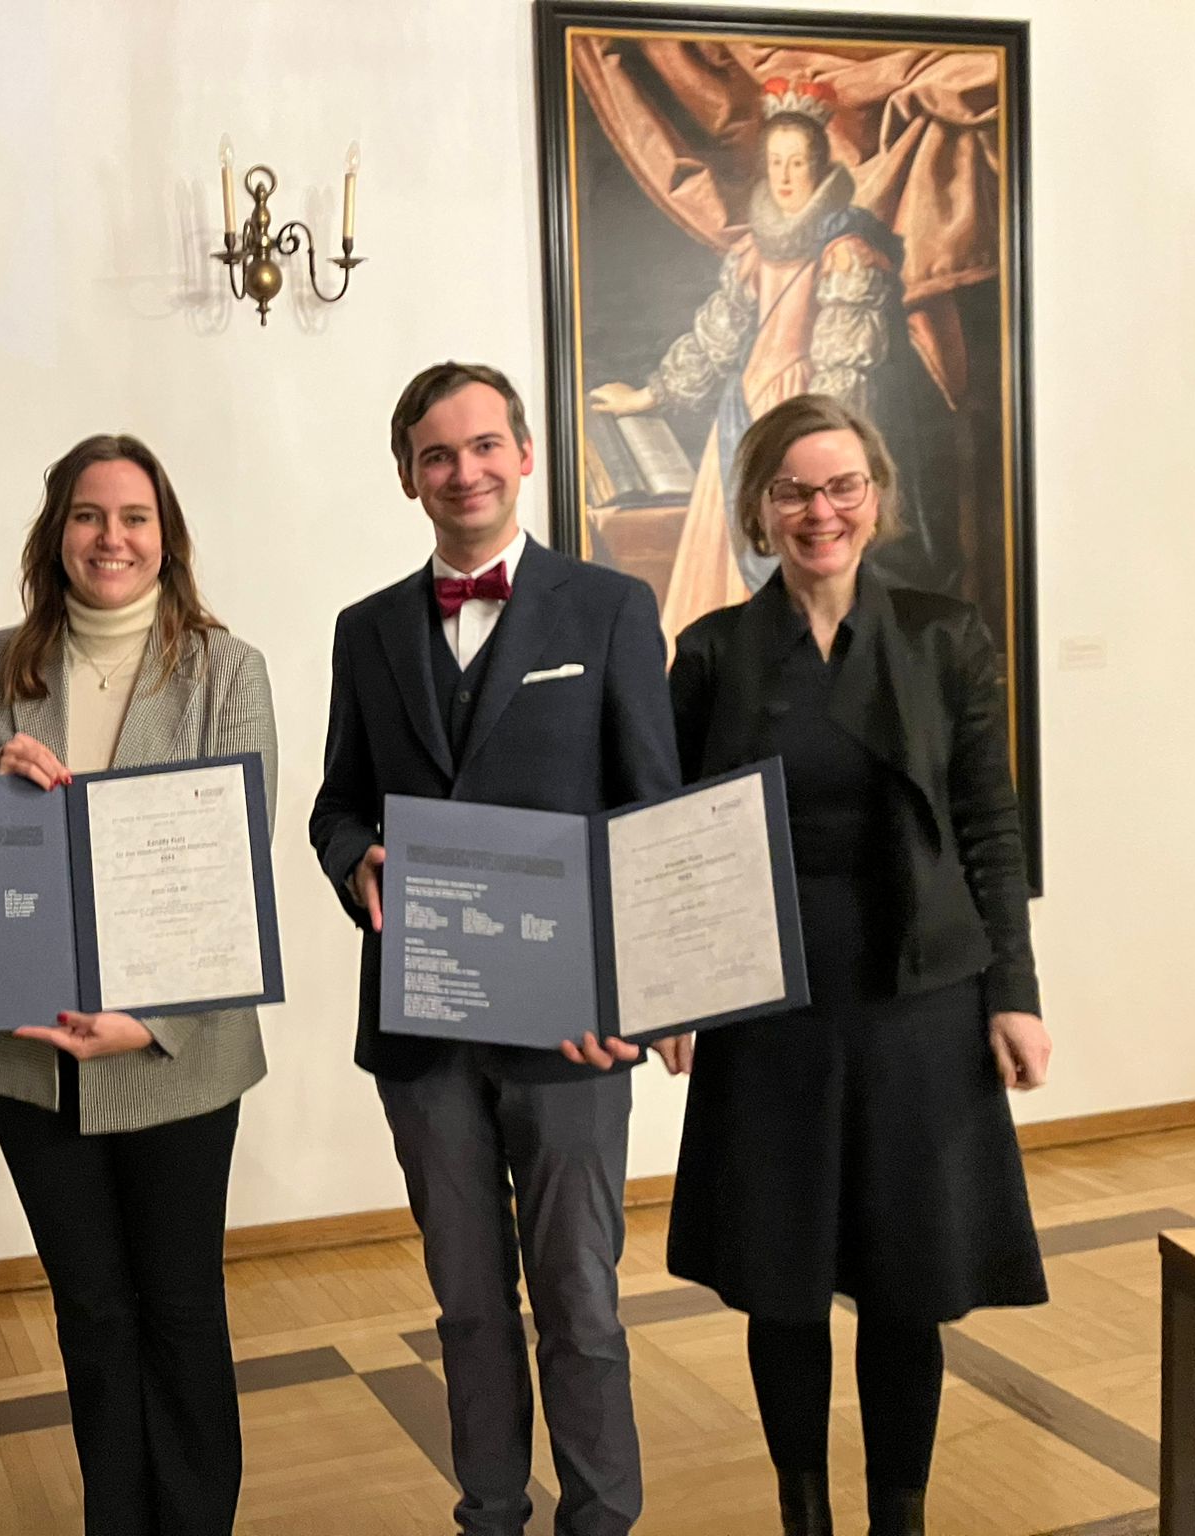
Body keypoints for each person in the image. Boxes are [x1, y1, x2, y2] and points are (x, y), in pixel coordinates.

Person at [665, 392, 1051, 1536]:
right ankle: (803, 1516)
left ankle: (898, 1519)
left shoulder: (944, 634)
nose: (817, 510)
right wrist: (672, 994)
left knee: (903, 1282)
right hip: (763, 1006)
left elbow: (989, 824)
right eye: (791, 490)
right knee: (780, 1282)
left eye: (840, 487)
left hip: (917, 1000)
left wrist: (1013, 995)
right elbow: (673, 837)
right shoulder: (711, 652)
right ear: (756, 508)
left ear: (873, 499)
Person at [309, 362, 683, 1536]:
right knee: (465, 1304)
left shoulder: (608, 609)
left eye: (481, 446)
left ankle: (599, 1520)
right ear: (406, 477)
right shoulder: (366, 630)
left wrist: (647, 988)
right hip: (423, 1030)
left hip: (570, 1024)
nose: (460, 470)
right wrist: (352, 857)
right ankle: (488, 1514)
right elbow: (335, 805)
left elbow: (650, 812)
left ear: (524, 457)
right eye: (434, 454)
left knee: (578, 1299)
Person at [0, 433, 275, 1536]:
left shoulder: (227, 672)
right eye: (88, 516)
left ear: (165, 536)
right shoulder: (3, 662)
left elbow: (238, 868)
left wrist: (153, 1020)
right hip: (30, 1056)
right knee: (90, 1313)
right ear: (57, 534)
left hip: (172, 1057)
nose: (111, 538)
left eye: (133, 516)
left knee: (180, 1310)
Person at [589, 76, 952, 637]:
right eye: (775, 163)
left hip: (801, 417)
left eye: (797, 163)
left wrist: (818, 458)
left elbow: (841, 375)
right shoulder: (756, 249)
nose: (784, 177)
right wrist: (648, 394)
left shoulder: (846, 251)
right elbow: (718, 334)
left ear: (820, 167)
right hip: (739, 418)